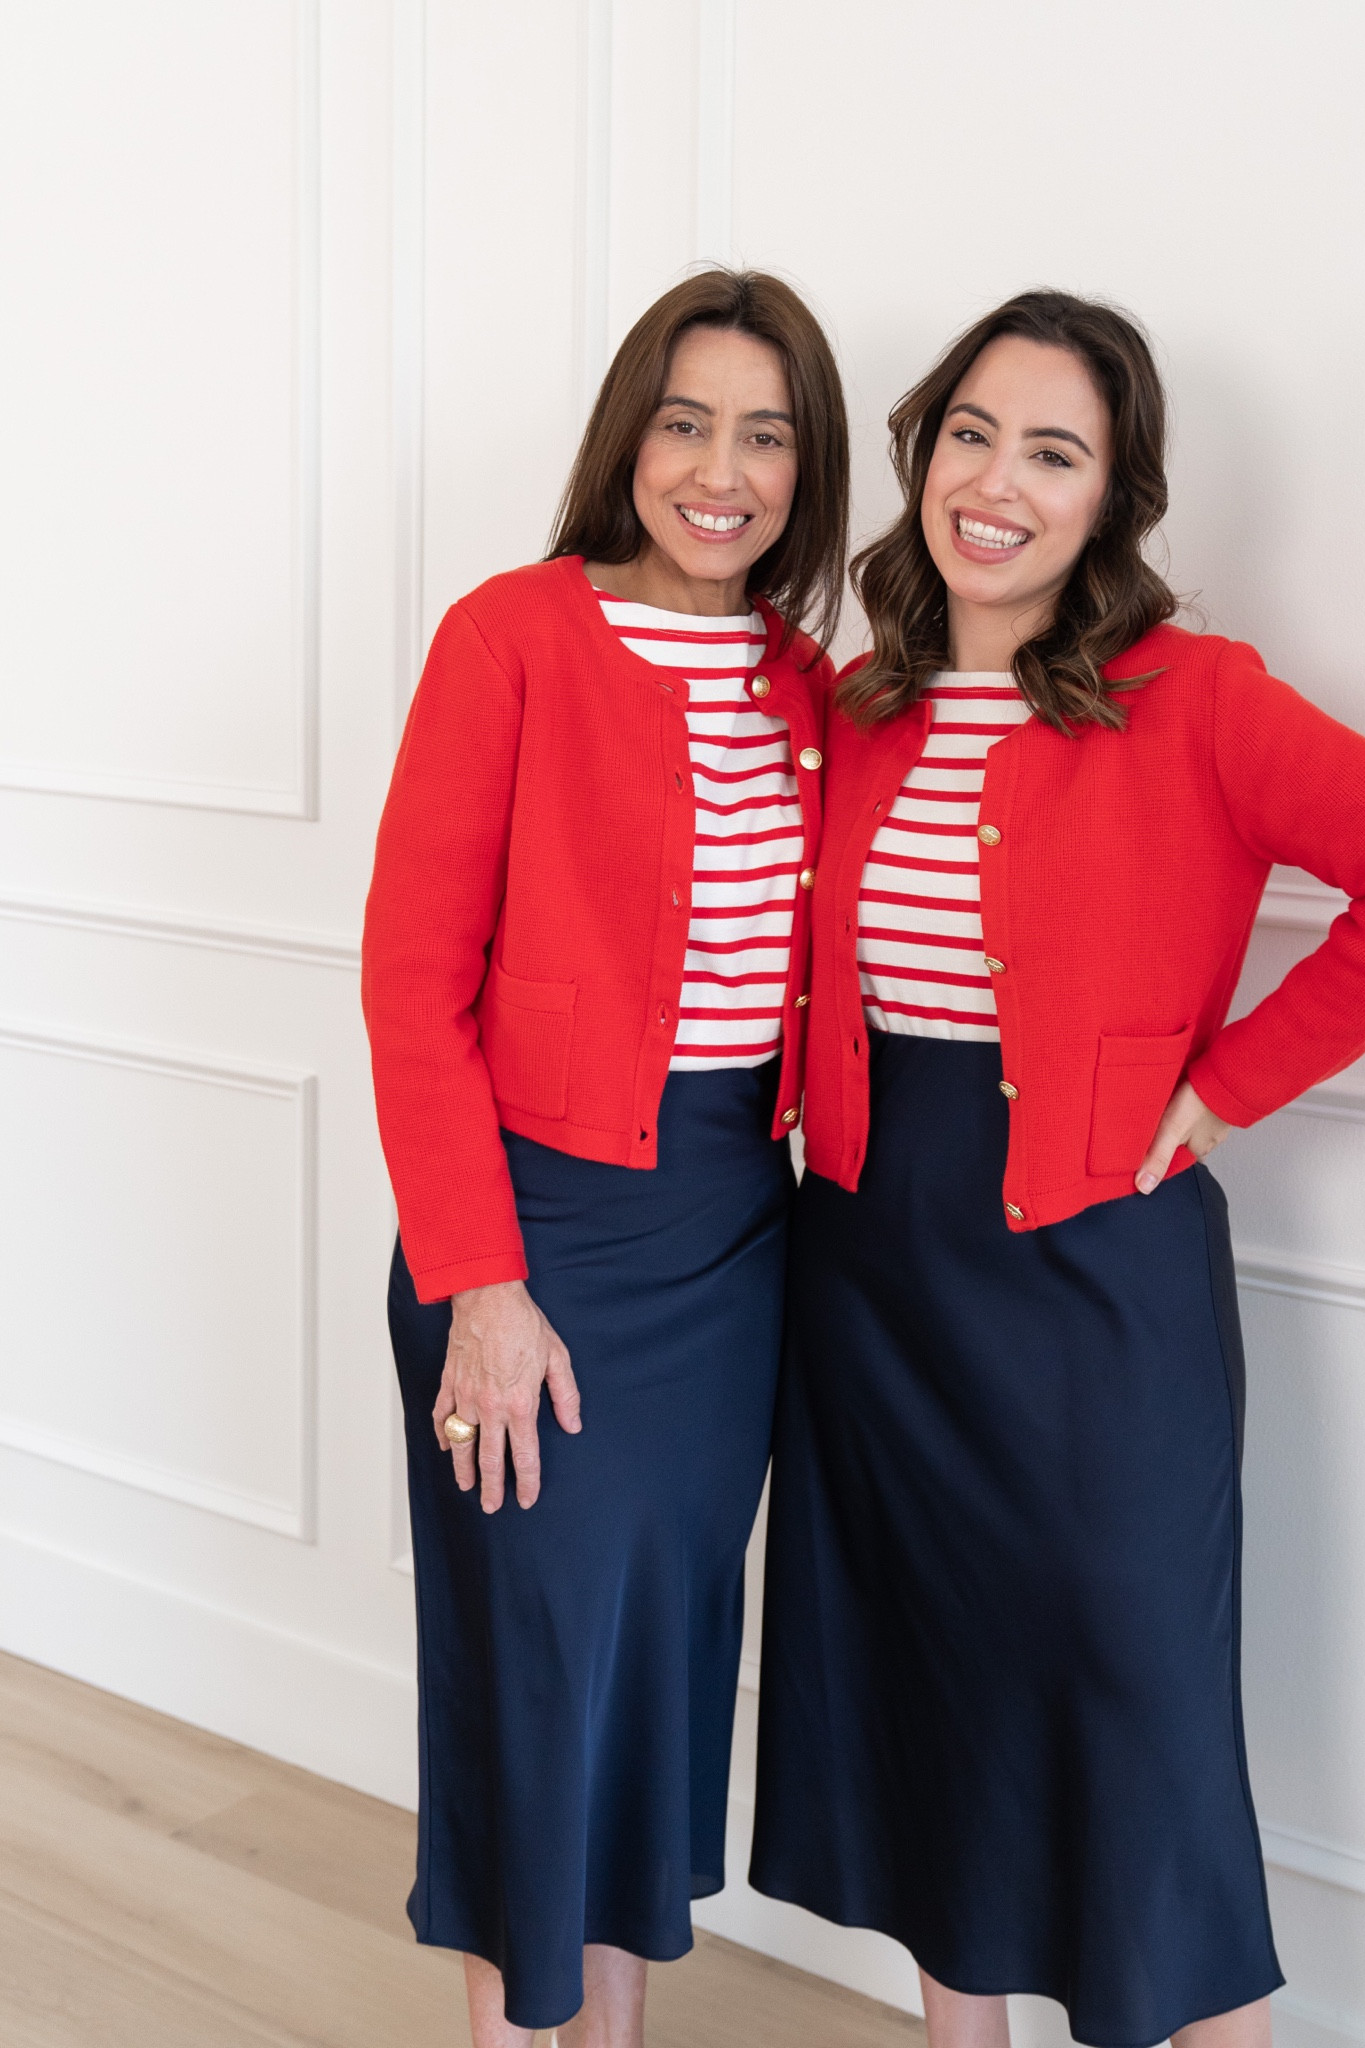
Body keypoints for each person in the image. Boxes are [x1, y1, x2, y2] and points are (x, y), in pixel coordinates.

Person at [748, 290, 1365, 2048]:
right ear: (920, 450)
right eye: (970, 434)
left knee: (1138, 1723)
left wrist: (1230, 1085)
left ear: (1114, 498)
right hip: (870, 1274)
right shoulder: (857, 700)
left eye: (1054, 452)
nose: (997, 483)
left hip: (1099, 1286)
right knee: (934, 1699)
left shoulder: (1197, 698)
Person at [362, 267, 847, 2048]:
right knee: (534, 1680)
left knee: (654, 1683)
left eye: (767, 434)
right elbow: (410, 983)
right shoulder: (509, 636)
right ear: (629, 436)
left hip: (731, 1245)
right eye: (686, 420)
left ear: (807, 470)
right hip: (530, 1235)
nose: (721, 468)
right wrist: (480, 1286)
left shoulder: (810, 682)